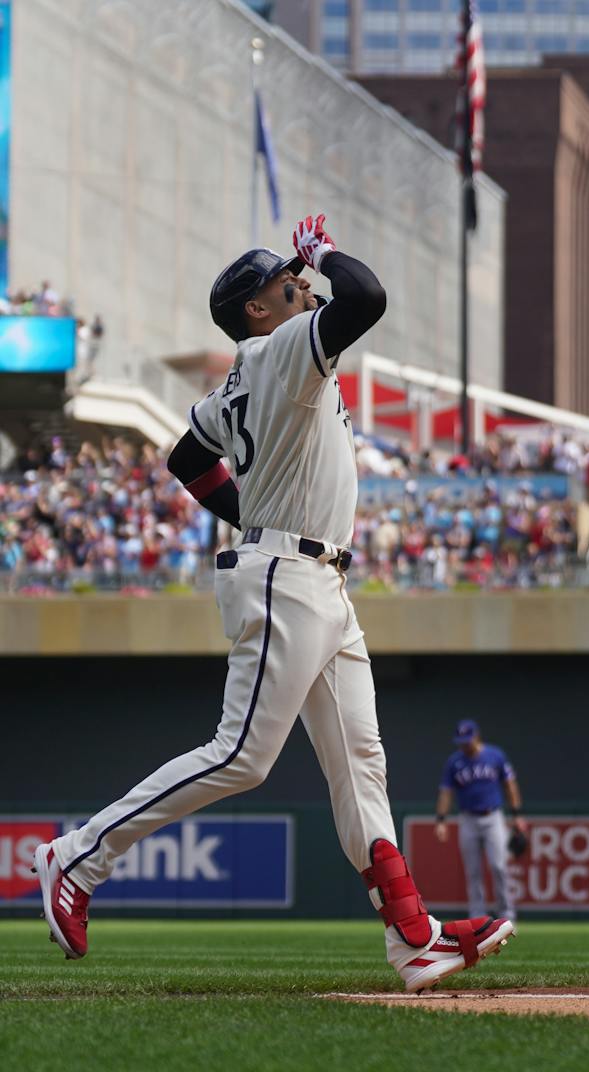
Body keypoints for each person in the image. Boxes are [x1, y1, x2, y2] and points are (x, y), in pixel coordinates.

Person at [30, 216, 513, 993]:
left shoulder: (250, 367)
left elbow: (186, 456)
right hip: (285, 574)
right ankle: (80, 855)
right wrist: (320, 250)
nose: (299, 282)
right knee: (242, 756)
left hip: (313, 574)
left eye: (298, 274)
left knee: (362, 765)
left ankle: (413, 937)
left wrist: (252, 515)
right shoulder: (283, 347)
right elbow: (367, 296)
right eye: (283, 281)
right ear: (257, 308)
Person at [435, 720, 529, 921]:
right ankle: (477, 916)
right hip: (468, 819)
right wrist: (441, 819)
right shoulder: (454, 762)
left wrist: (517, 814)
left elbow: (510, 785)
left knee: (499, 866)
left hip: (493, 817)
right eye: (461, 741)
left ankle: (506, 914)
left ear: (476, 737)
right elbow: (446, 792)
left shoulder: (495, 755)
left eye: (467, 740)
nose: (464, 745)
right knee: (473, 871)